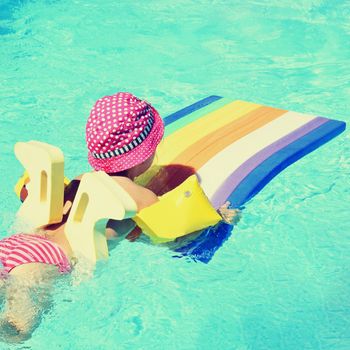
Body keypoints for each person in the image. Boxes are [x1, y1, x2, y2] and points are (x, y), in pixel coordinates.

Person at [85, 92, 240, 241]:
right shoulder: (142, 199)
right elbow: (176, 237)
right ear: (142, 157)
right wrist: (218, 218)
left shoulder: (83, 182)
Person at [0, 180, 80, 340]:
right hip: (42, 257)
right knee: (17, 330)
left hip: (15, 242)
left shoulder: (43, 216)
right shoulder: (87, 228)